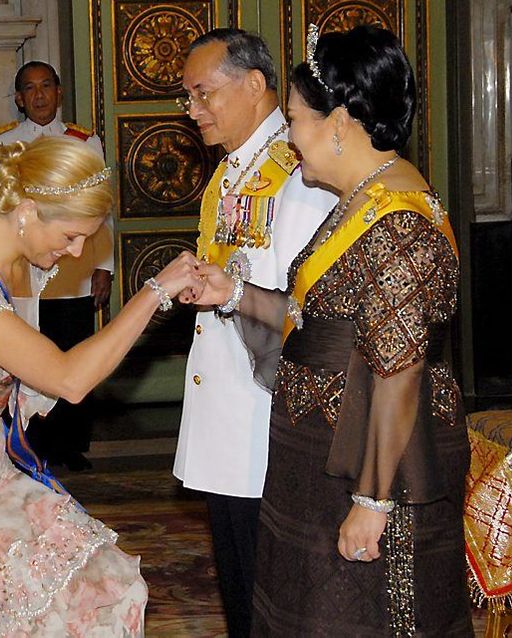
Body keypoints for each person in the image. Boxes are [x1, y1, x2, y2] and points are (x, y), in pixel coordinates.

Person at [192, 24, 473, 635]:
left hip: (373, 461)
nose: (289, 139)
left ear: (339, 123)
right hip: (320, 449)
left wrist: (372, 503)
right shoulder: (358, 199)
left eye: (294, 120)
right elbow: (310, 318)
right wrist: (235, 292)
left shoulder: (398, 223)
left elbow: (397, 372)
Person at [0, 135, 206, 636]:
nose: (74, 252)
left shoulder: (21, 266)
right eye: (70, 235)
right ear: (27, 210)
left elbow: (30, 381)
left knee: (105, 586)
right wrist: (153, 294)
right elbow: (67, 380)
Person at [171, 28, 334, 638]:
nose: (192, 110)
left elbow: (309, 308)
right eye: (187, 97)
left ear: (255, 85)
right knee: (241, 579)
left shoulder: (299, 173)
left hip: (267, 413)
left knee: (273, 588)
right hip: (230, 407)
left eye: (203, 93)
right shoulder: (233, 170)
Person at [0, 61, 114, 471]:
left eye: (46, 86)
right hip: (21, 272)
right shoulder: (1, 143)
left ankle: (70, 443)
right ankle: (27, 442)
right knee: (27, 352)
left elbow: (101, 209)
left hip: (71, 271)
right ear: (19, 98)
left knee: (72, 348)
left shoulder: (85, 142)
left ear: (58, 91)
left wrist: (102, 265)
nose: (38, 96)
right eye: (29, 89)